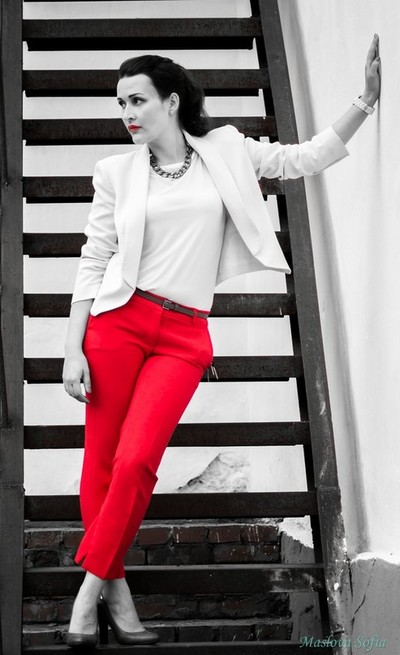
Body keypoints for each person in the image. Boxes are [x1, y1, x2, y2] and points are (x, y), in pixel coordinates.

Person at [62, 36, 381, 647]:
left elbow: (301, 158)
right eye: (120, 102)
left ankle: (87, 592)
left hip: (183, 332)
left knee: (136, 460)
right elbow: (94, 258)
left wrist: (364, 102)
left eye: (137, 100)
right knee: (101, 463)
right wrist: (73, 347)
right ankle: (117, 595)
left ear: (172, 101)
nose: (127, 113)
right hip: (117, 323)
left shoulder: (226, 149)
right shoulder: (116, 172)